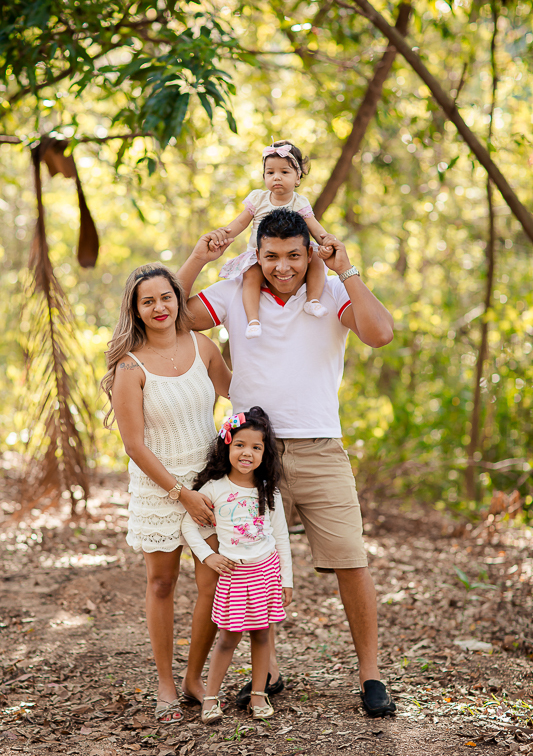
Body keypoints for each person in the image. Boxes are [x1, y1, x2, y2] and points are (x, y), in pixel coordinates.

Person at [177, 208, 397, 718]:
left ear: (308, 252)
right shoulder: (235, 294)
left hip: (321, 447)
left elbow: (380, 333)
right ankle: (267, 669)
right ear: (257, 254)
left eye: (294, 255)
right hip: (251, 455)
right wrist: (197, 257)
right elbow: (175, 314)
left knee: (350, 560)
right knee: (248, 557)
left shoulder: (331, 295)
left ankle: (371, 676)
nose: (283, 266)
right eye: (271, 256)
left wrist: (347, 270)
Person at [101, 263, 232, 724]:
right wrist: (181, 494)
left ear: (179, 300)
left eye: (166, 298)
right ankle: (164, 682)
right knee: (161, 583)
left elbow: (240, 399)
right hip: (159, 487)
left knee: (212, 584)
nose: (159, 307)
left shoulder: (203, 347)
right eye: (148, 301)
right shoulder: (129, 366)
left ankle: (195, 677)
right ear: (136, 310)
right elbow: (134, 445)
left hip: (209, 484)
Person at [181, 406, 292, 724]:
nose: (248, 453)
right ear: (227, 445)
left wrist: (287, 580)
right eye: (240, 444)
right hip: (235, 575)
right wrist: (208, 556)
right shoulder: (214, 489)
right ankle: (211, 699)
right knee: (228, 637)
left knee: (261, 635)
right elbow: (189, 527)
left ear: (264, 452)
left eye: (256, 447)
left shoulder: (268, 490)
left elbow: (281, 536)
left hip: (266, 572)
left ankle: (259, 695)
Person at [206, 140, 333, 339]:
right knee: (250, 277)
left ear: (298, 177)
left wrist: (327, 242)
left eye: (284, 172)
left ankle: (313, 301)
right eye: (270, 172)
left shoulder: (299, 202)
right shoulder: (258, 199)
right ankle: (253, 320)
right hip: (261, 256)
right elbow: (240, 223)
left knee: (316, 259)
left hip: (292, 254)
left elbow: (315, 228)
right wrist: (224, 235)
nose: (277, 178)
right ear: (264, 176)